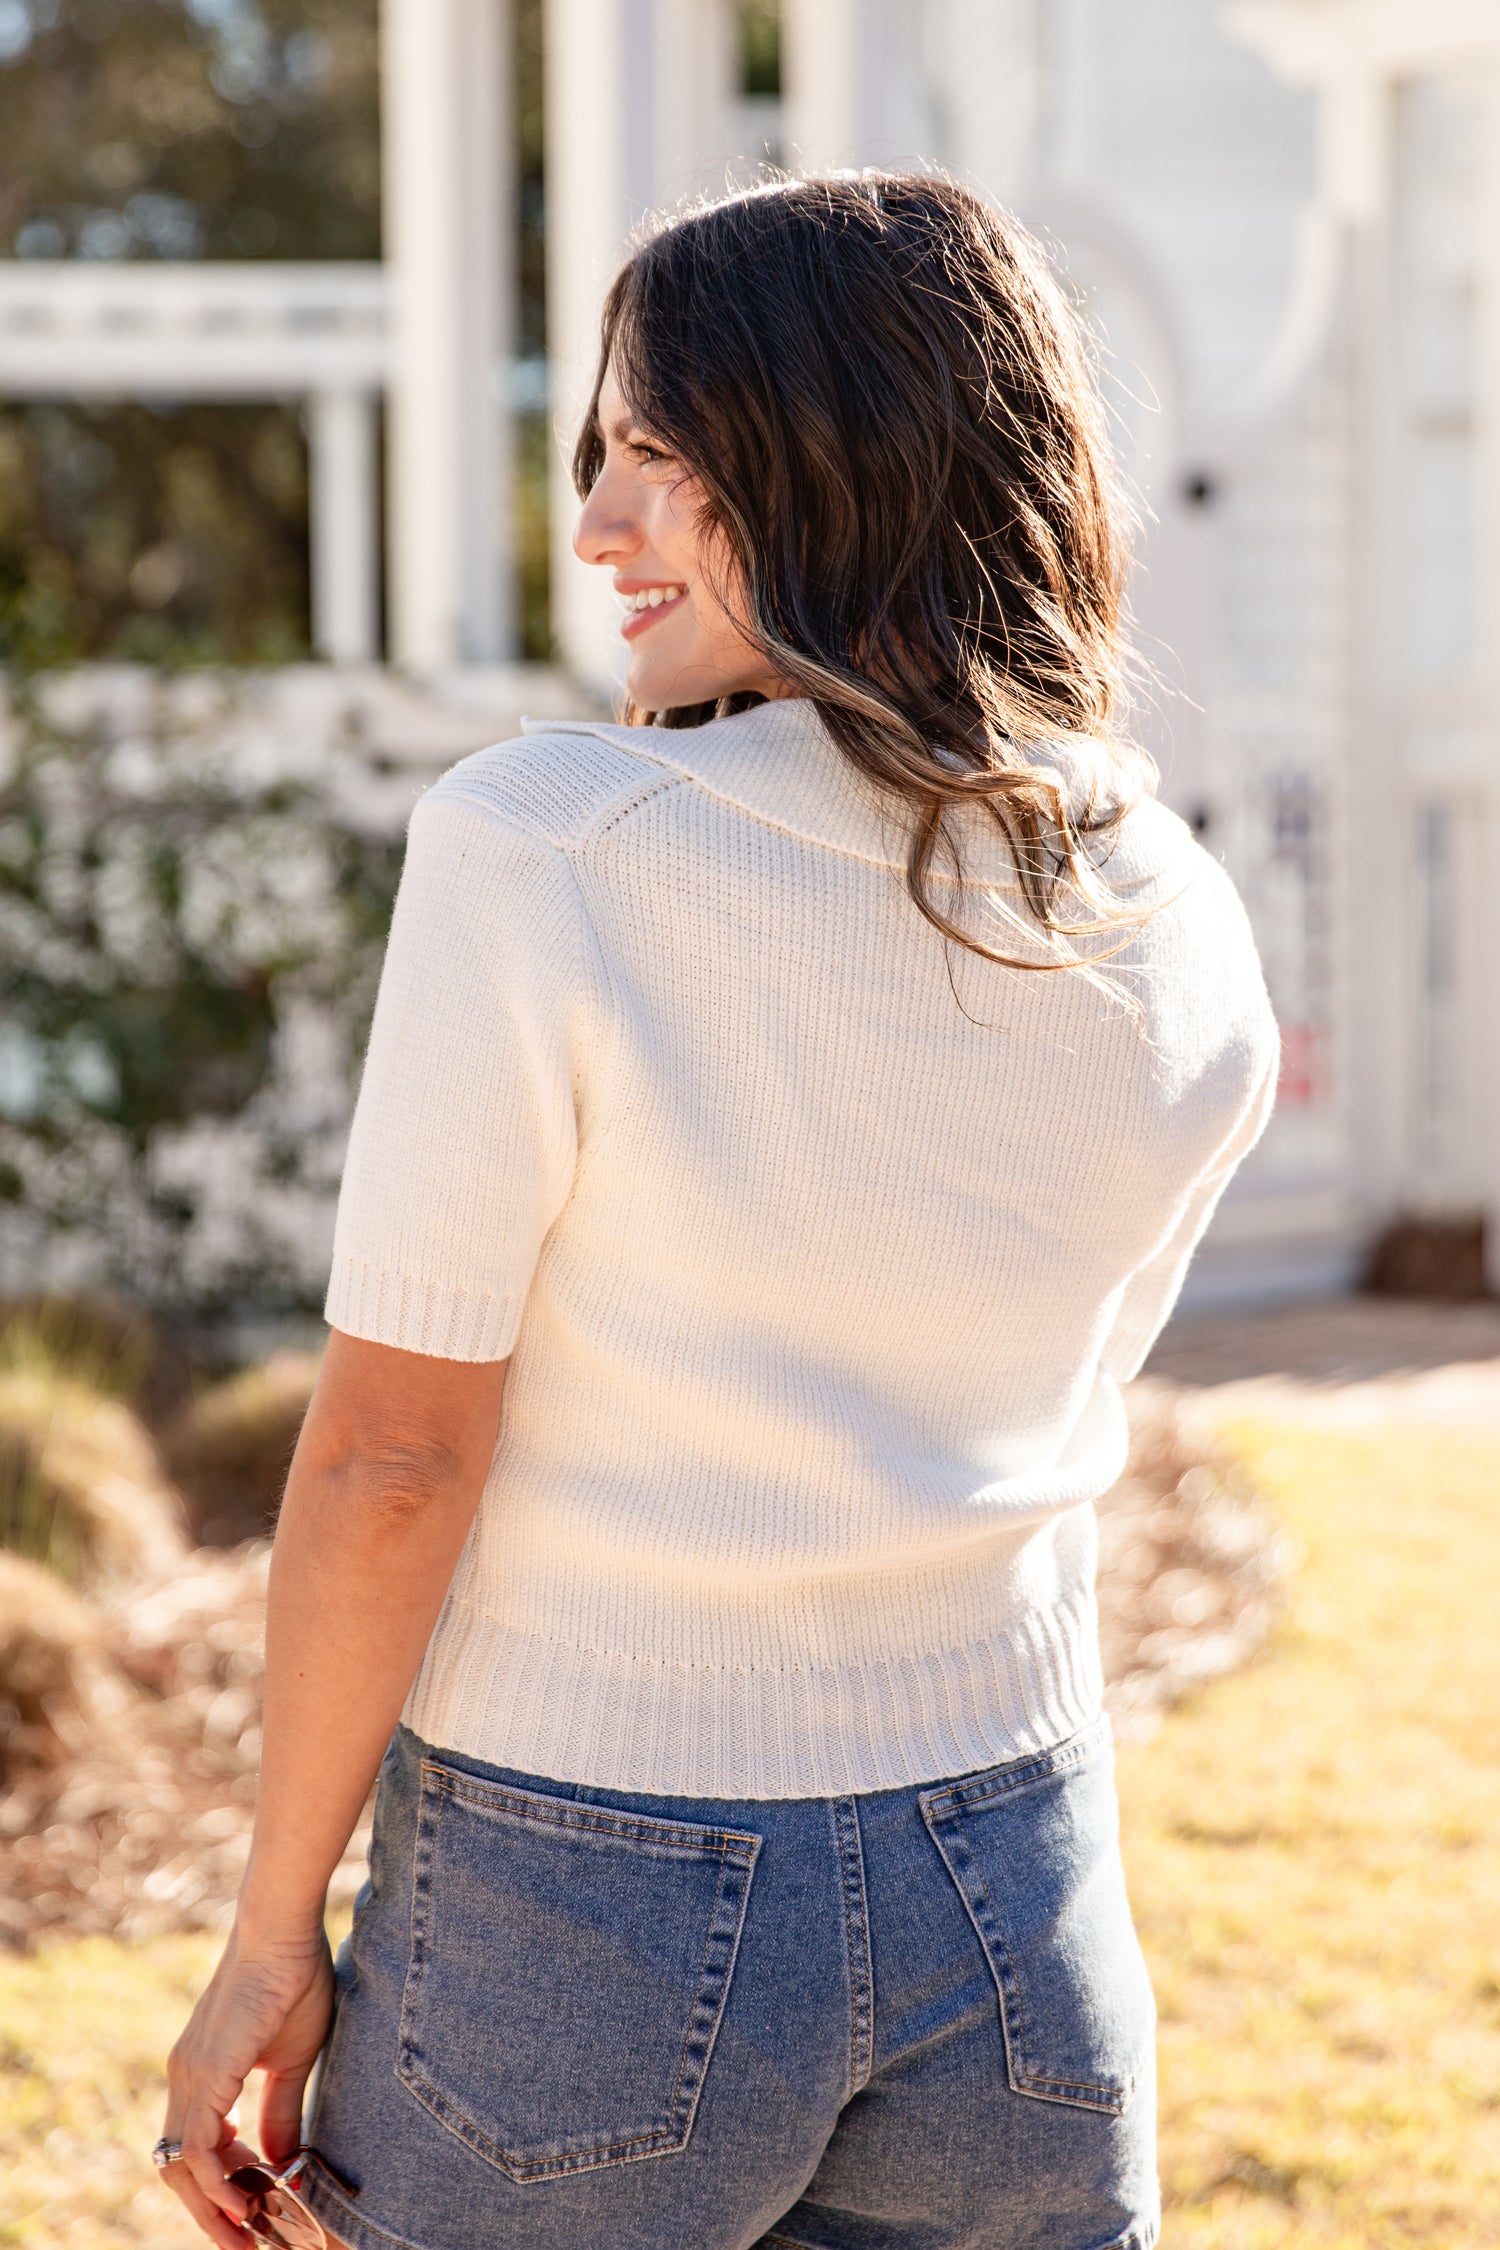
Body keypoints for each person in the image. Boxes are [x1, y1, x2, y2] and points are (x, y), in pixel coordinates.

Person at [159, 173, 1277, 2250]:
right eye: (598, 464)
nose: (596, 533)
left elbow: (399, 1455)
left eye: (658, 463)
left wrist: (263, 1935)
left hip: (582, 1912)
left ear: (840, 453)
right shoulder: (1171, 908)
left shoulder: (549, 852)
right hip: (1022, 1895)